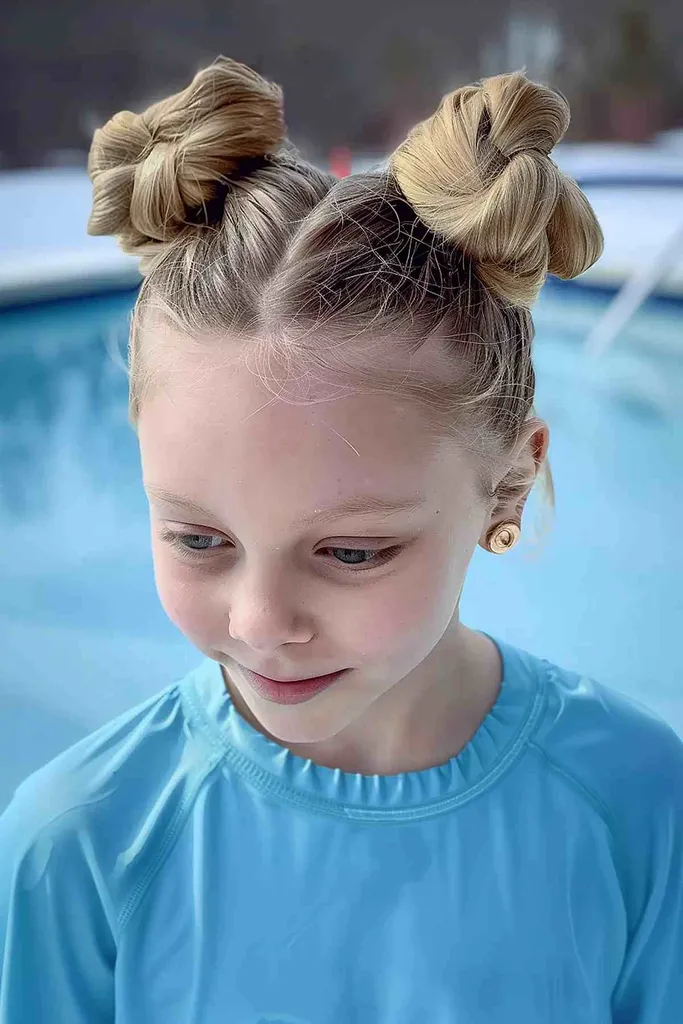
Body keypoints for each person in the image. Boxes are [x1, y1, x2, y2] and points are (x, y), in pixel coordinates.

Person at [1, 56, 681, 1023]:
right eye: (199, 539)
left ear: (512, 477)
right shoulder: (75, 847)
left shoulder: (639, 806)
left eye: (352, 552)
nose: (261, 622)